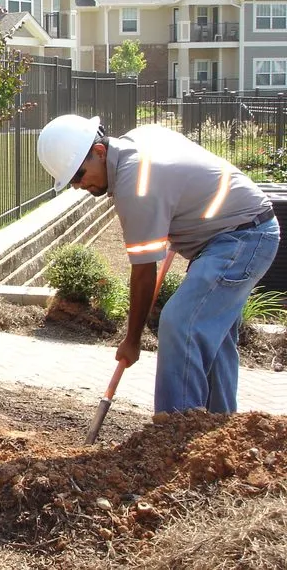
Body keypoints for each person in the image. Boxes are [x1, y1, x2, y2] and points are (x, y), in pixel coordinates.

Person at [37, 114, 280, 414]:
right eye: (71, 181)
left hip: (241, 238)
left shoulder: (135, 184)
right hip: (237, 233)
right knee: (212, 340)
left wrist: (132, 340)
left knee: (181, 323)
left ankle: (174, 430)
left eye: (78, 175)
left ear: (99, 153)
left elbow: (143, 273)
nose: (78, 185)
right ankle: (218, 431)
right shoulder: (138, 140)